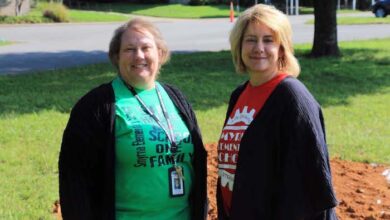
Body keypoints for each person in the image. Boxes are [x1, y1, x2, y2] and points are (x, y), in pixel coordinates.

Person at [59, 18, 207, 220]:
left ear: (160, 54)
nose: (139, 56)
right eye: (129, 49)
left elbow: (197, 163)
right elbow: (74, 180)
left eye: (146, 47)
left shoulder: (176, 98)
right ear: (116, 57)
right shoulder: (95, 107)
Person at [216, 4, 338, 220]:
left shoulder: (292, 96)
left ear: (282, 48)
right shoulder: (239, 95)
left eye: (268, 40)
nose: (258, 48)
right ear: (239, 45)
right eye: (251, 39)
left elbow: (312, 183)